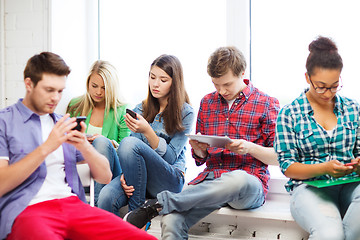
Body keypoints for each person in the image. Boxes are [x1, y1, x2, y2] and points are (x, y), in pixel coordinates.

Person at [123, 46, 280, 239]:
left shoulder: (266, 103)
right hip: (211, 182)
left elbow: (279, 157)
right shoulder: (207, 102)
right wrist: (199, 151)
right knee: (171, 220)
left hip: (248, 182)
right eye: (216, 84)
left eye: (227, 84)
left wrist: (249, 147)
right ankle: (164, 206)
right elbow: (200, 160)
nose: (221, 91)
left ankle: (161, 203)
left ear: (242, 73)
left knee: (237, 179)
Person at [0, 52, 156, 240]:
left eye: (60, 91)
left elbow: (105, 176)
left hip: (73, 206)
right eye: (49, 90)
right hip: (28, 208)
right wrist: (47, 146)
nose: (55, 98)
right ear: (29, 85)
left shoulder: (63, 122)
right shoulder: (5, 122)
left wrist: (84, 145)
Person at [274, 36, 360, 240]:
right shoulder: (289, 113)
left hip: (351, 184)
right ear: (307, 78)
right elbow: (287, 166)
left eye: (334, 85)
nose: (327, 93)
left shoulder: (353, 108)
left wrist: (357, 164)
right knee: (330, 234)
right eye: (321, 86)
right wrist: (324, 168)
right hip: (310, 189)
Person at [97, 54, 195, 219]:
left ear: (175, 82)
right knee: (106, 196)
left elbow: (170, 158)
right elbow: (128, 155)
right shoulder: (140, 109)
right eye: (152, 77)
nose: (155, 84)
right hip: (139, 177)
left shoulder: (186, 113)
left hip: (169, 180)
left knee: (129, 143)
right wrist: (124, 176)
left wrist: (147, 131)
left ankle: (137, 217)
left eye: (163, 80)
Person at [66, 60, 130, 204]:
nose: (98, 92)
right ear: (88, 83)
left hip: (109, 171)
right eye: (94, 86)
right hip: (81, 168)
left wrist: (108, 143)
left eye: (104, 88)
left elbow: (126, 152)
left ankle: (97, 209)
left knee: (101, 142)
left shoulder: (122, 111)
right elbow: (66, 141)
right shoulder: (75, 105)